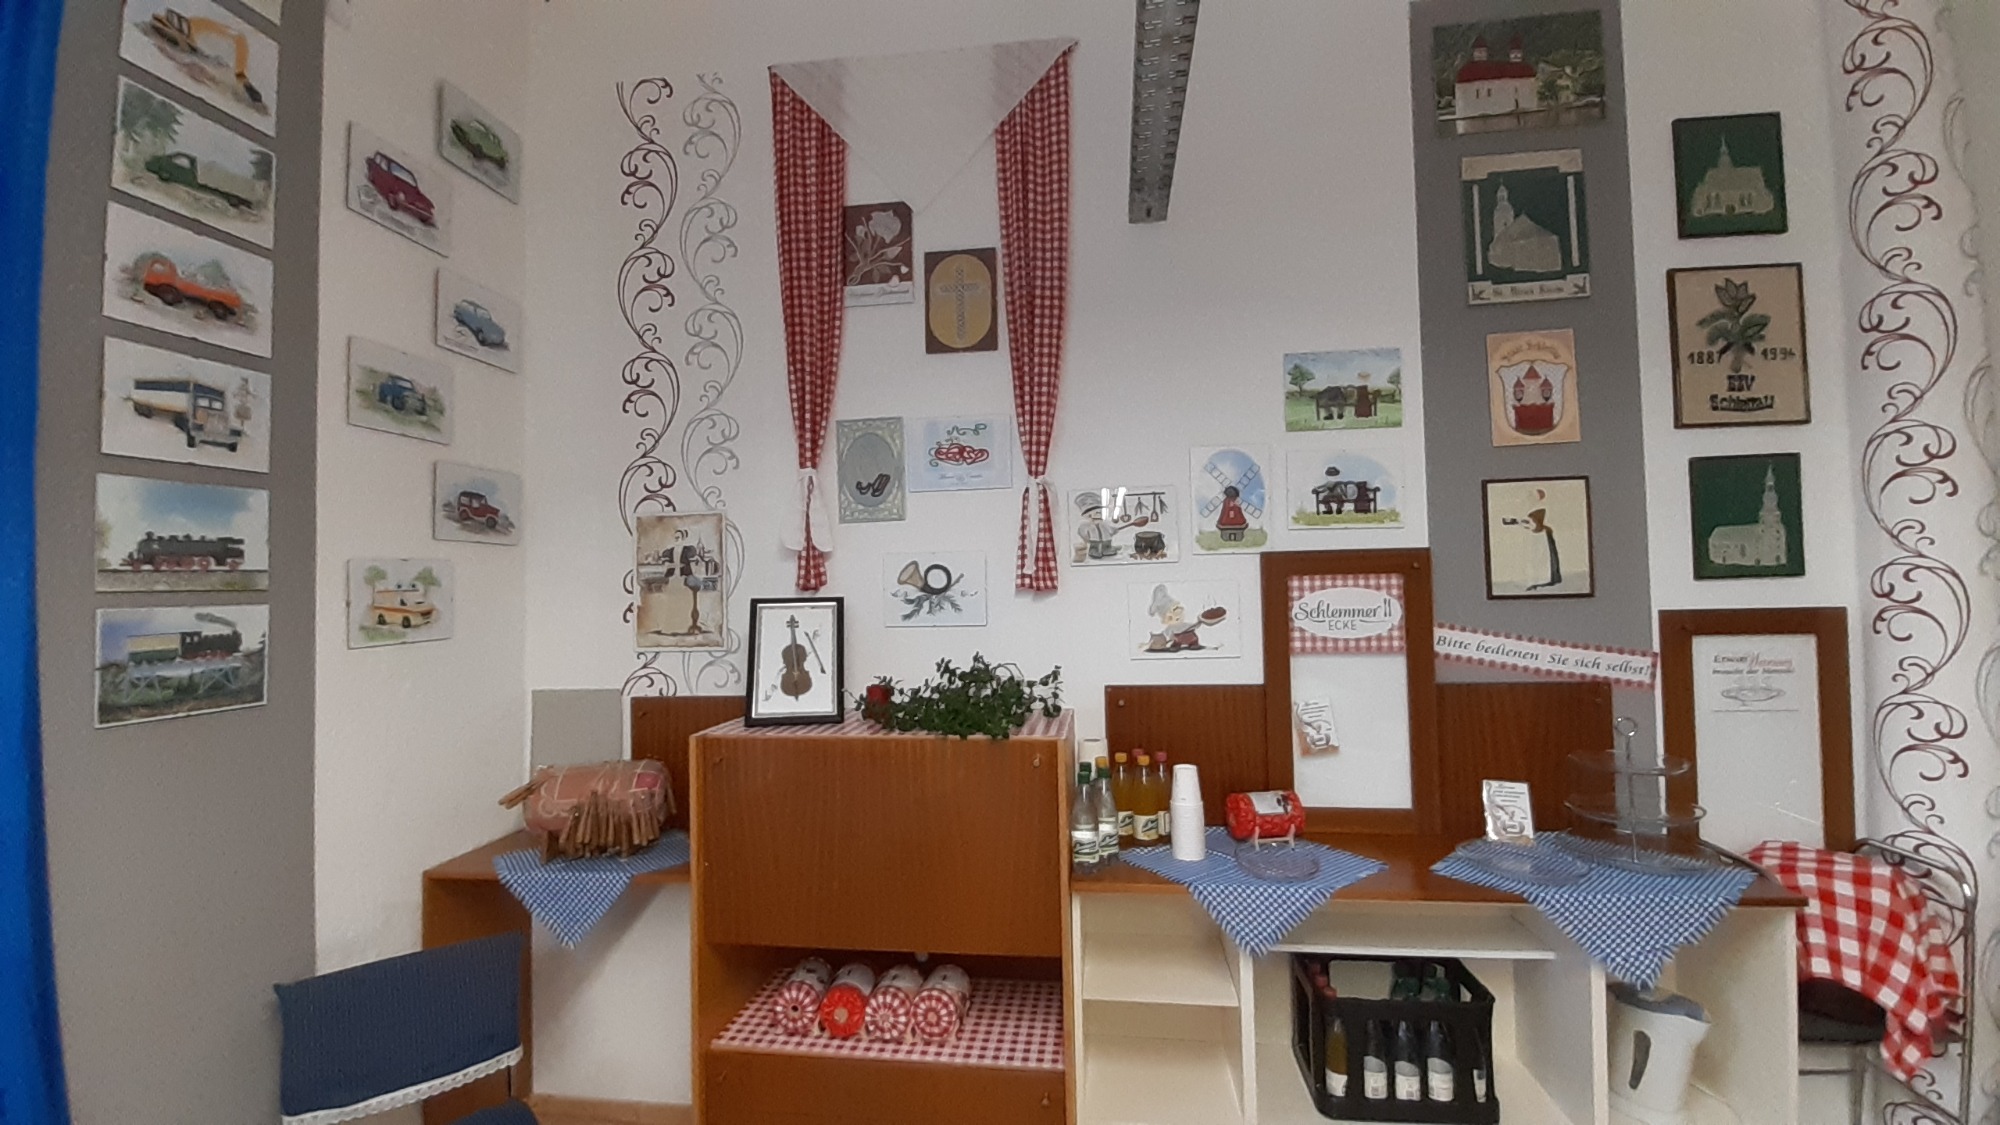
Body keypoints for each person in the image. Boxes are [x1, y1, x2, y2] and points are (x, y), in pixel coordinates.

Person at [1501, 489, 1562, 590]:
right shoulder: (1532, 508)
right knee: (1534, 560)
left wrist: (1516, 522)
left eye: (1530, 496)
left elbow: (1534, 525)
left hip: (1539, 538)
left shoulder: (1538, 509)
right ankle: (1536, 581)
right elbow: (1529, 523)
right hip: (1535, 537)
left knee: (1539, 560)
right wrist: (1516, 522)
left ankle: (1540, 581)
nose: (1528, 498)